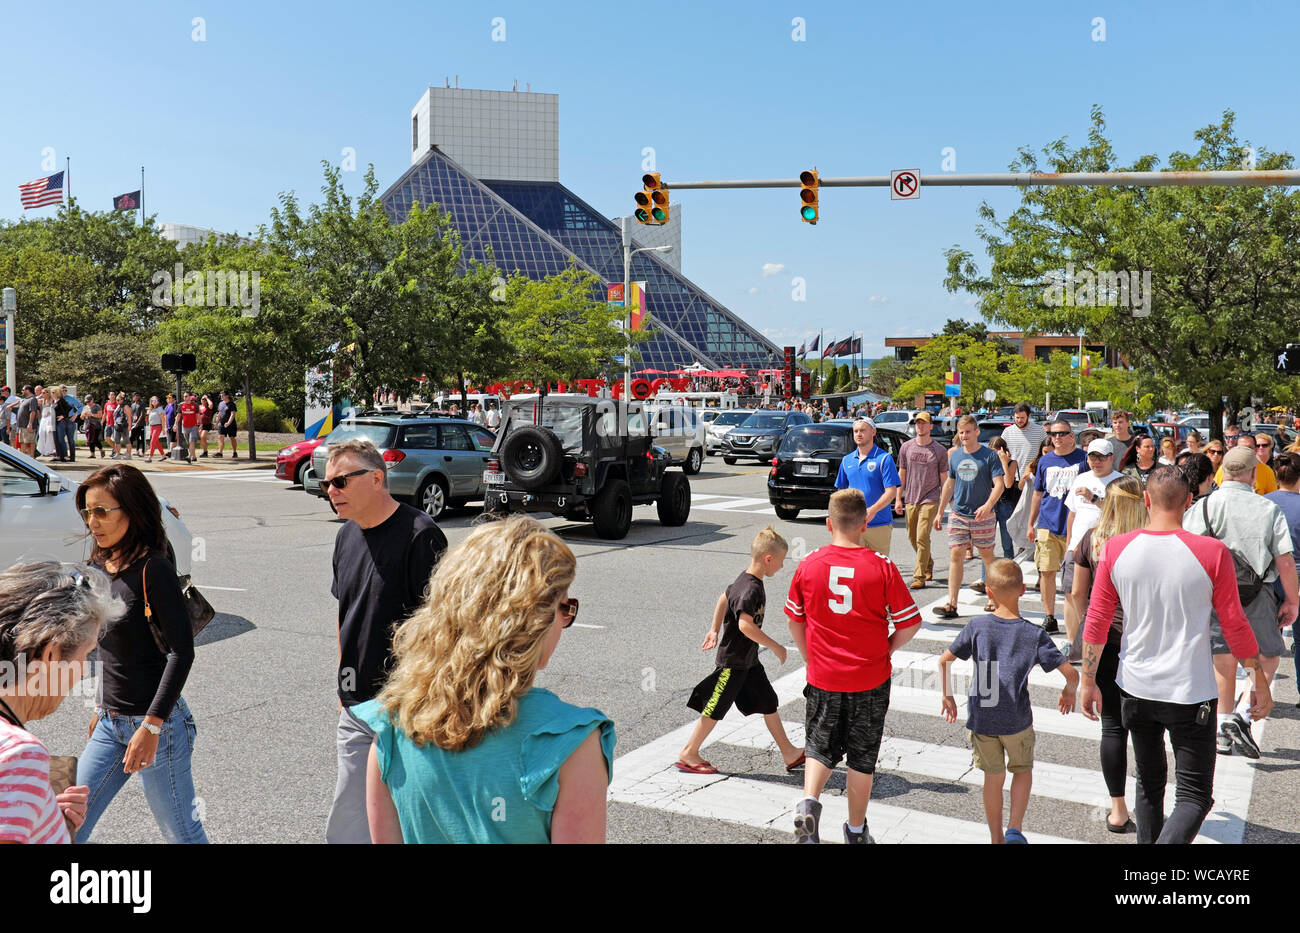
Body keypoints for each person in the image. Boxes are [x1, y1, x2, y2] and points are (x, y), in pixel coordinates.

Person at [357, 515, 613, 843]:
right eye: (565, 607)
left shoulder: (392, 725)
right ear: (532, 621)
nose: (564, 622)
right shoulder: (569, 740)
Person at [1080, 466, 1273, 844]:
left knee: (1149, 786)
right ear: (1189, 502)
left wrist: (1087, 680)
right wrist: (1258, 677)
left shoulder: (1116, 548)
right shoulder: (1211, 551)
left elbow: (1097, 618)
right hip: (1189, 690)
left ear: (1147, 500)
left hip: (1133, 686)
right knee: (1195, 795)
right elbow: (1233, 623)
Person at [73, 464, 209, 843]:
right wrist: (101, 705)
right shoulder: (99, 566)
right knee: (68, 823)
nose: (92, 521)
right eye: (87, 511)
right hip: (110, 722)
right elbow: (105, 645)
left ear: (131, 511)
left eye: (102, 511)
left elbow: (182, 652)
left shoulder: (155, 569)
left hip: (158, 728)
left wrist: (151, 726)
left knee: (182, 833)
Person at [325, 438, 448, 844]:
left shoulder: (421, 535)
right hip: (357, 706)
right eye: (327, 484)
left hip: (407, 708)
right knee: (348, 824)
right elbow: (346, 614)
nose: (331, 491)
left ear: (377, 478)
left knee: (409, 821)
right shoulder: (346, 536)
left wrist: (426, 702)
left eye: (341, 481)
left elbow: (442, 629)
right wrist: (342, 684)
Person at [785, 488, 921, 844]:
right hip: (870, 677)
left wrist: (808, 655)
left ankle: (808, 806)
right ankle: (856, 831)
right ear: (864, 524)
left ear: (829, 524)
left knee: (818, 745)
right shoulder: (882, 566)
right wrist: (886, 649)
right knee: (862, 757)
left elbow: (794, 619)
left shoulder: (809, 564)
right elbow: (910, 622)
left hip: (824, 674)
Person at [938, 559, 1077, 843]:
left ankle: (995, 838)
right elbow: (1071, 673)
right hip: (1017, 719)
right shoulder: (1034, 634)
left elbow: (944, 661)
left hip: (983, 718)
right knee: (1022, 770)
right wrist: (1069, 691)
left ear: (988, 592)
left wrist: (948, 695)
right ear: (1023, 590)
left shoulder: (977, 626)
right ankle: (1015, 829)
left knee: (993, 778)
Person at [1182, 446, 1298, 758]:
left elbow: (1187, 552)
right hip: (1256, 594)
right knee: (1268, 656)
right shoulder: (1266, 509)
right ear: (1251, 474)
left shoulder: (1205, 507)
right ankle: (1241, 715)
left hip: (1215, 594)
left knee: (1223, 662)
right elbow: (1284, 561)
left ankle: (1221, 730)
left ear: (1223, 473)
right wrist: (1292, 601)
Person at [0, 563, 124, 844]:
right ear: (52, 655)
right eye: (86, 654)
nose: (83, 671)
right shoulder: (19, 754)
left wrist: (41, 815)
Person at [677, 527, 803, 774]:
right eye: (780, 561)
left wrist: (714, 629)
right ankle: (689, 752)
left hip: (749, 661)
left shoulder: (744, 579)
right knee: (715, 707)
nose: (781, 566)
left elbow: (724, 596)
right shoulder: (751, 588)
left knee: (768, 701)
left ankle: (789, 752)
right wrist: (775, 645)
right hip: (734, 662)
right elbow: (745, 625)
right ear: (768, 559)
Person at [1069, 475, 1146, 833]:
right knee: (1150, 728)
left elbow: (1077, 595)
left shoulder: (1092, 540)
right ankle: (1152, 805)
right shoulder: (1153, 540)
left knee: (1112, 726)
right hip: (1146, 641)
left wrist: (1079, 644)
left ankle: (1118, 809)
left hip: (1103, 641)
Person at [932, 416, 1005, 619]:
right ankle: (952, 604)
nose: (964, 435)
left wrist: (988, 505)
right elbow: (949, 484)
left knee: (987, 556)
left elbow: (999, 484)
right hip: (959, 514)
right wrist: (940, 512)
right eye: (961, 432)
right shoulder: (954, 456)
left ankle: (993, 598)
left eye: (968, 431)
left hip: (983, 515)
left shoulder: (989, 456)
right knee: (956, 555)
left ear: (976, 432)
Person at [1061, 439, 1124, 659]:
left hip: (1105, 545)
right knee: (1073, 592)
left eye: (1101, 457)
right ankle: (1075, 640)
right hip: (1078, 543)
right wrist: (1069, 544)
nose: (1096, 461)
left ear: (1111, 458)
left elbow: (1122, 513)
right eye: (1092, 457)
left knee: (1101, 595)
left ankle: (1097, 636)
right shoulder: (1081, 477)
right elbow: (1072, 514)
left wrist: (1094, 498)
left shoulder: (1120, 482)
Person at [1027, 419, 1086, 634]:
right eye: (1053, 434)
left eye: (1062, 433)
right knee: (1047, 572)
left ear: (1072, 436)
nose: (1057, 438)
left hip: (1075, 526)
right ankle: (1049, 616)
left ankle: (1077, 618)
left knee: (1075, 577)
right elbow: (1038, 493)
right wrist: (1030, 522)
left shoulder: (1084, 460)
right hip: (1047, 523)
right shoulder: (1044, 461)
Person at [893, 411, 948, 589]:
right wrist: (898, 498)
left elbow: (944, 479)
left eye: (924, 423)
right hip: (910, 498)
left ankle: (919, 576)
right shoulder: (906, 447)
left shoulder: (939, 450)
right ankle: (928, 563)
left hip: (930, 498)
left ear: (931, 426)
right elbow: (902, 472)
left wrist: (943, 506)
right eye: (917, 423)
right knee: (913, 537)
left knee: (922, 536)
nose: (920, 426)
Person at [832, 418, 900, 558]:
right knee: (854, 569)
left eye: (863, 430)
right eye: (856, 431)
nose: (859, 434)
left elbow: (891, 491)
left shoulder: (884, 458)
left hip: (879, 524)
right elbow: (841, 493)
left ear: (873, 432)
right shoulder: (847, 460)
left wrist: (872, 510)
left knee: (878, 569)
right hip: (853, 525)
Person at [1264, 452, 1300, 697]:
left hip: (1267, 578)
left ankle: (1256, 694)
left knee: (1267, 640)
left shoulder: (1262, 503)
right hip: (1297, 574)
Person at [988, 436, 1020, 561]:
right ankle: (986, 577)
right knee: (987, 544)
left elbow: (1008, 484)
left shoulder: (1012, 463)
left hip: (1005, 503)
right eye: (992, 451)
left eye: (997, 451)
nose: (995, 455)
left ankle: (1009, 570)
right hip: (990, 502)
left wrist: (1003, 462)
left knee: (1006, 542)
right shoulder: (988, 463)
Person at [215, 391, 239, 459]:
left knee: (232, 438)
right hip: (222, 424)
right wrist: (217, 423)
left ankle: (235, 452)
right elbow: (220, 413)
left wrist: (228, 423)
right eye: (221, 395)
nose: (221, 396)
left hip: (231, 424)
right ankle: (220, 453)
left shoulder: (231, 404)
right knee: (220, 437)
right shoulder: (220, 404)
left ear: (227, 396)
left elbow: (233, 414)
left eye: (223, 395)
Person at [177, 394, 200, 463]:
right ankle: (194, 456)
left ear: (190, 397)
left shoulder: (195, 405)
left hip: (193, 426)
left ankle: (189, 456)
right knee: (189, 443)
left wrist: (200, 424)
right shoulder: (181, 405)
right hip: (185, 426)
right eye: (184, 396)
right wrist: (175, 424)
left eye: (186, 396)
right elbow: (178, 416)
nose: (185, 397)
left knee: (191, 441)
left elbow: (198, 415)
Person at [82, 394, 104, 459]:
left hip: (96, 425)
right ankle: (92, 454)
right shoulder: (85, 407)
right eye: (87, 402)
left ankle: (101, 450)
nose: (88, 403)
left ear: (92, 400)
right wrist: (83, 415)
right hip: (88, 425)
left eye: (89, 401)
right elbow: (81, 417)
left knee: (95, 439)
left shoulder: (97, 406)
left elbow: (100, 415)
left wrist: (91, 414)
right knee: (90, 440)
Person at [37, 387, 56, 458]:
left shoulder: (51, 400)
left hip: (49, 418)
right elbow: (36, 399)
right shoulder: (43, 400)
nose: (42, 394)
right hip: (44, 418)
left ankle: (49, 450)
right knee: (41, 433)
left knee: (49, 435)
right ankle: (42, 450)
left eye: (44, 393)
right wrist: (40, 395)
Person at [146, 397, 166, 461]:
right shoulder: (151, 409)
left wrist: (163, 428)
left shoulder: (159, 409)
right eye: (152, 400)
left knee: (152, 441)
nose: (154, 402)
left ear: (158, 401)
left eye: (155, 400)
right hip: (152, 426)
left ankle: (150, 457)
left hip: (158, 426)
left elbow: (163, 419)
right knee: (157, 442)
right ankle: (163, 455)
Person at [130, 392, 147, 457]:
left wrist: (138, 422)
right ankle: (135, 450)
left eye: (137, 396)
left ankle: (143, 451)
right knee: (133, 437)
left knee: (142, 438)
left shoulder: (142, 404)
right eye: (135, 396)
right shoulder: (132, 405)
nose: (136, 397)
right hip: (134, 423)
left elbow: (142, 414)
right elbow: (132, 414)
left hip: (141, 424)